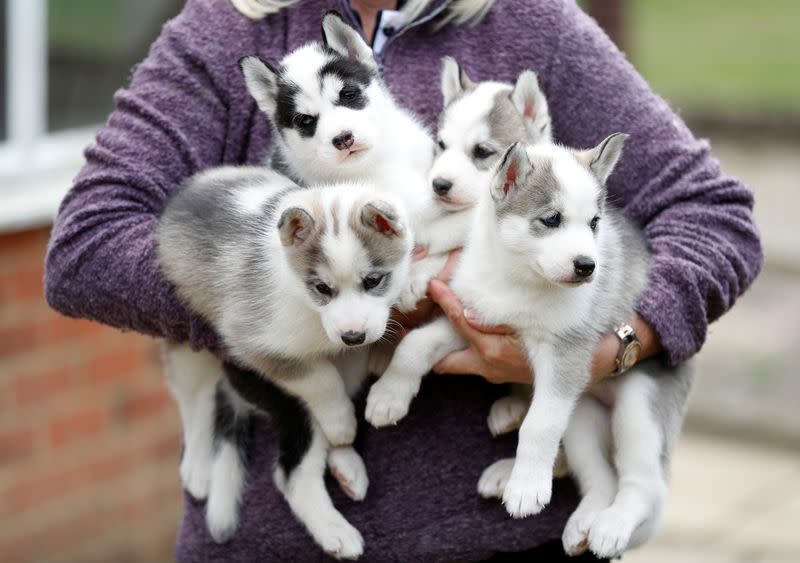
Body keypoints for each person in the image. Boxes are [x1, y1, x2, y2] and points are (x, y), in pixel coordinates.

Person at [44, 0, 763, 560]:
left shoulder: (530, 25)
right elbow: (87, 246)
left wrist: (619, 344)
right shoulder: (228, 31)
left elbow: (713, 215)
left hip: (503, 541)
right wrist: (304, 300)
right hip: (272, 542)